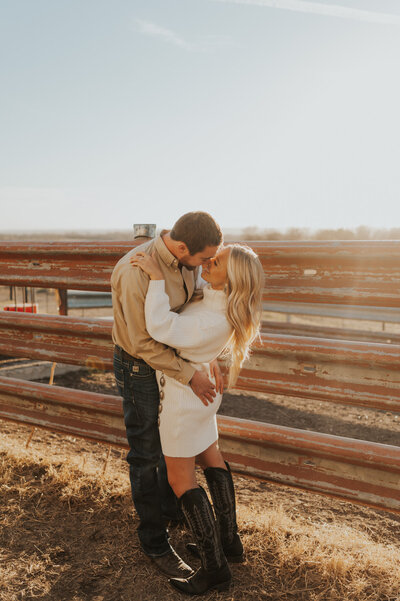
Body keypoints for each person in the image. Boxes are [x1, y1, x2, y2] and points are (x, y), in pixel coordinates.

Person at [130, 243, 264, 595]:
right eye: (211, 256)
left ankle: (215, 568)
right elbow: (200, 328)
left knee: (180, 480)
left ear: (230, 278)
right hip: (201, 397)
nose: (209, 261)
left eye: (216, 262)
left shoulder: (210, 317)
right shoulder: (216, 300)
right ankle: (229, 542)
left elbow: (160, 327)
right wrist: (211, 359)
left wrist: (157, 278)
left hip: (183, 402)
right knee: (210, 455)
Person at [111, 212, 224, 578]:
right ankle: (154, 540)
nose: (207, 265)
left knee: (171, 443)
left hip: (174, 360)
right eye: (204, 259)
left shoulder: (188, 260)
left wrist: (213, 355)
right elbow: (142, 341)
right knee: (146, 452)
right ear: (180, 247)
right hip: (140, 364)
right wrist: (190, 374)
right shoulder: (135, 272)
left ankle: (173, 511)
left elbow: (194, 305)